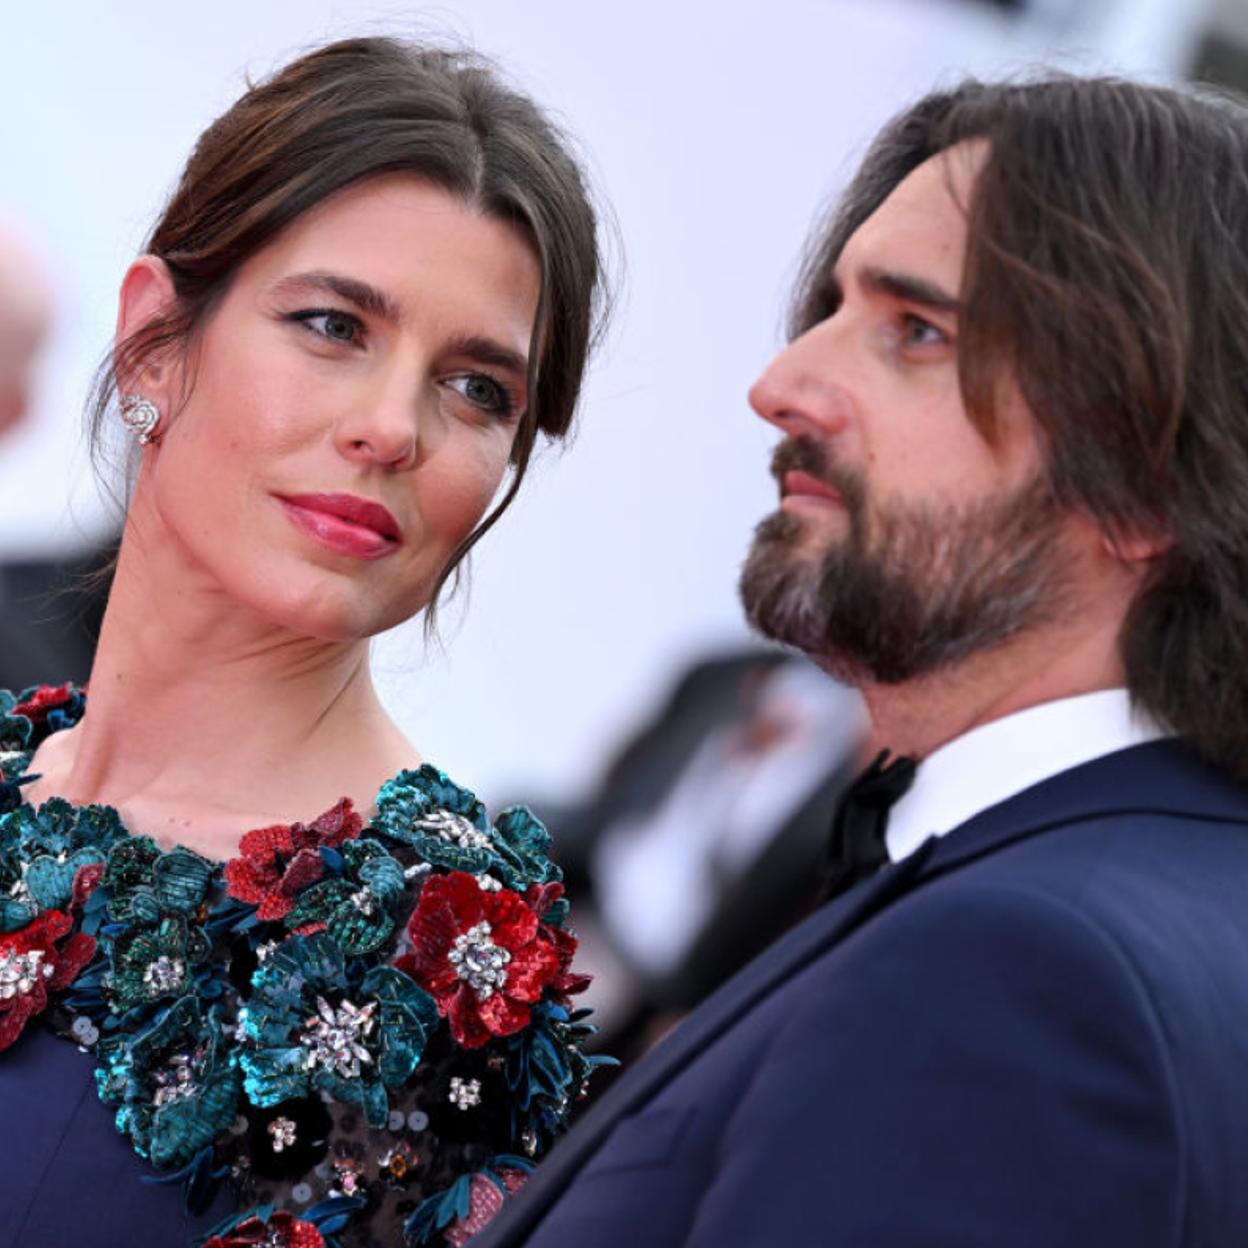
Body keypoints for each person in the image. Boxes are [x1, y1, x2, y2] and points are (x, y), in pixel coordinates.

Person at [470, 74, 1248, 1247]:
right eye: (832, 307)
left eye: (917, 330)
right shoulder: (1148, 901)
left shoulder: (1016, 977)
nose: (781, 387)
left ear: (1147, 472)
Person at [0, 36, 608, 1248]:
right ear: (154, 343)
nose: (391, 428)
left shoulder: (446, 965)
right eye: (333, 325)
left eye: (479, 389)